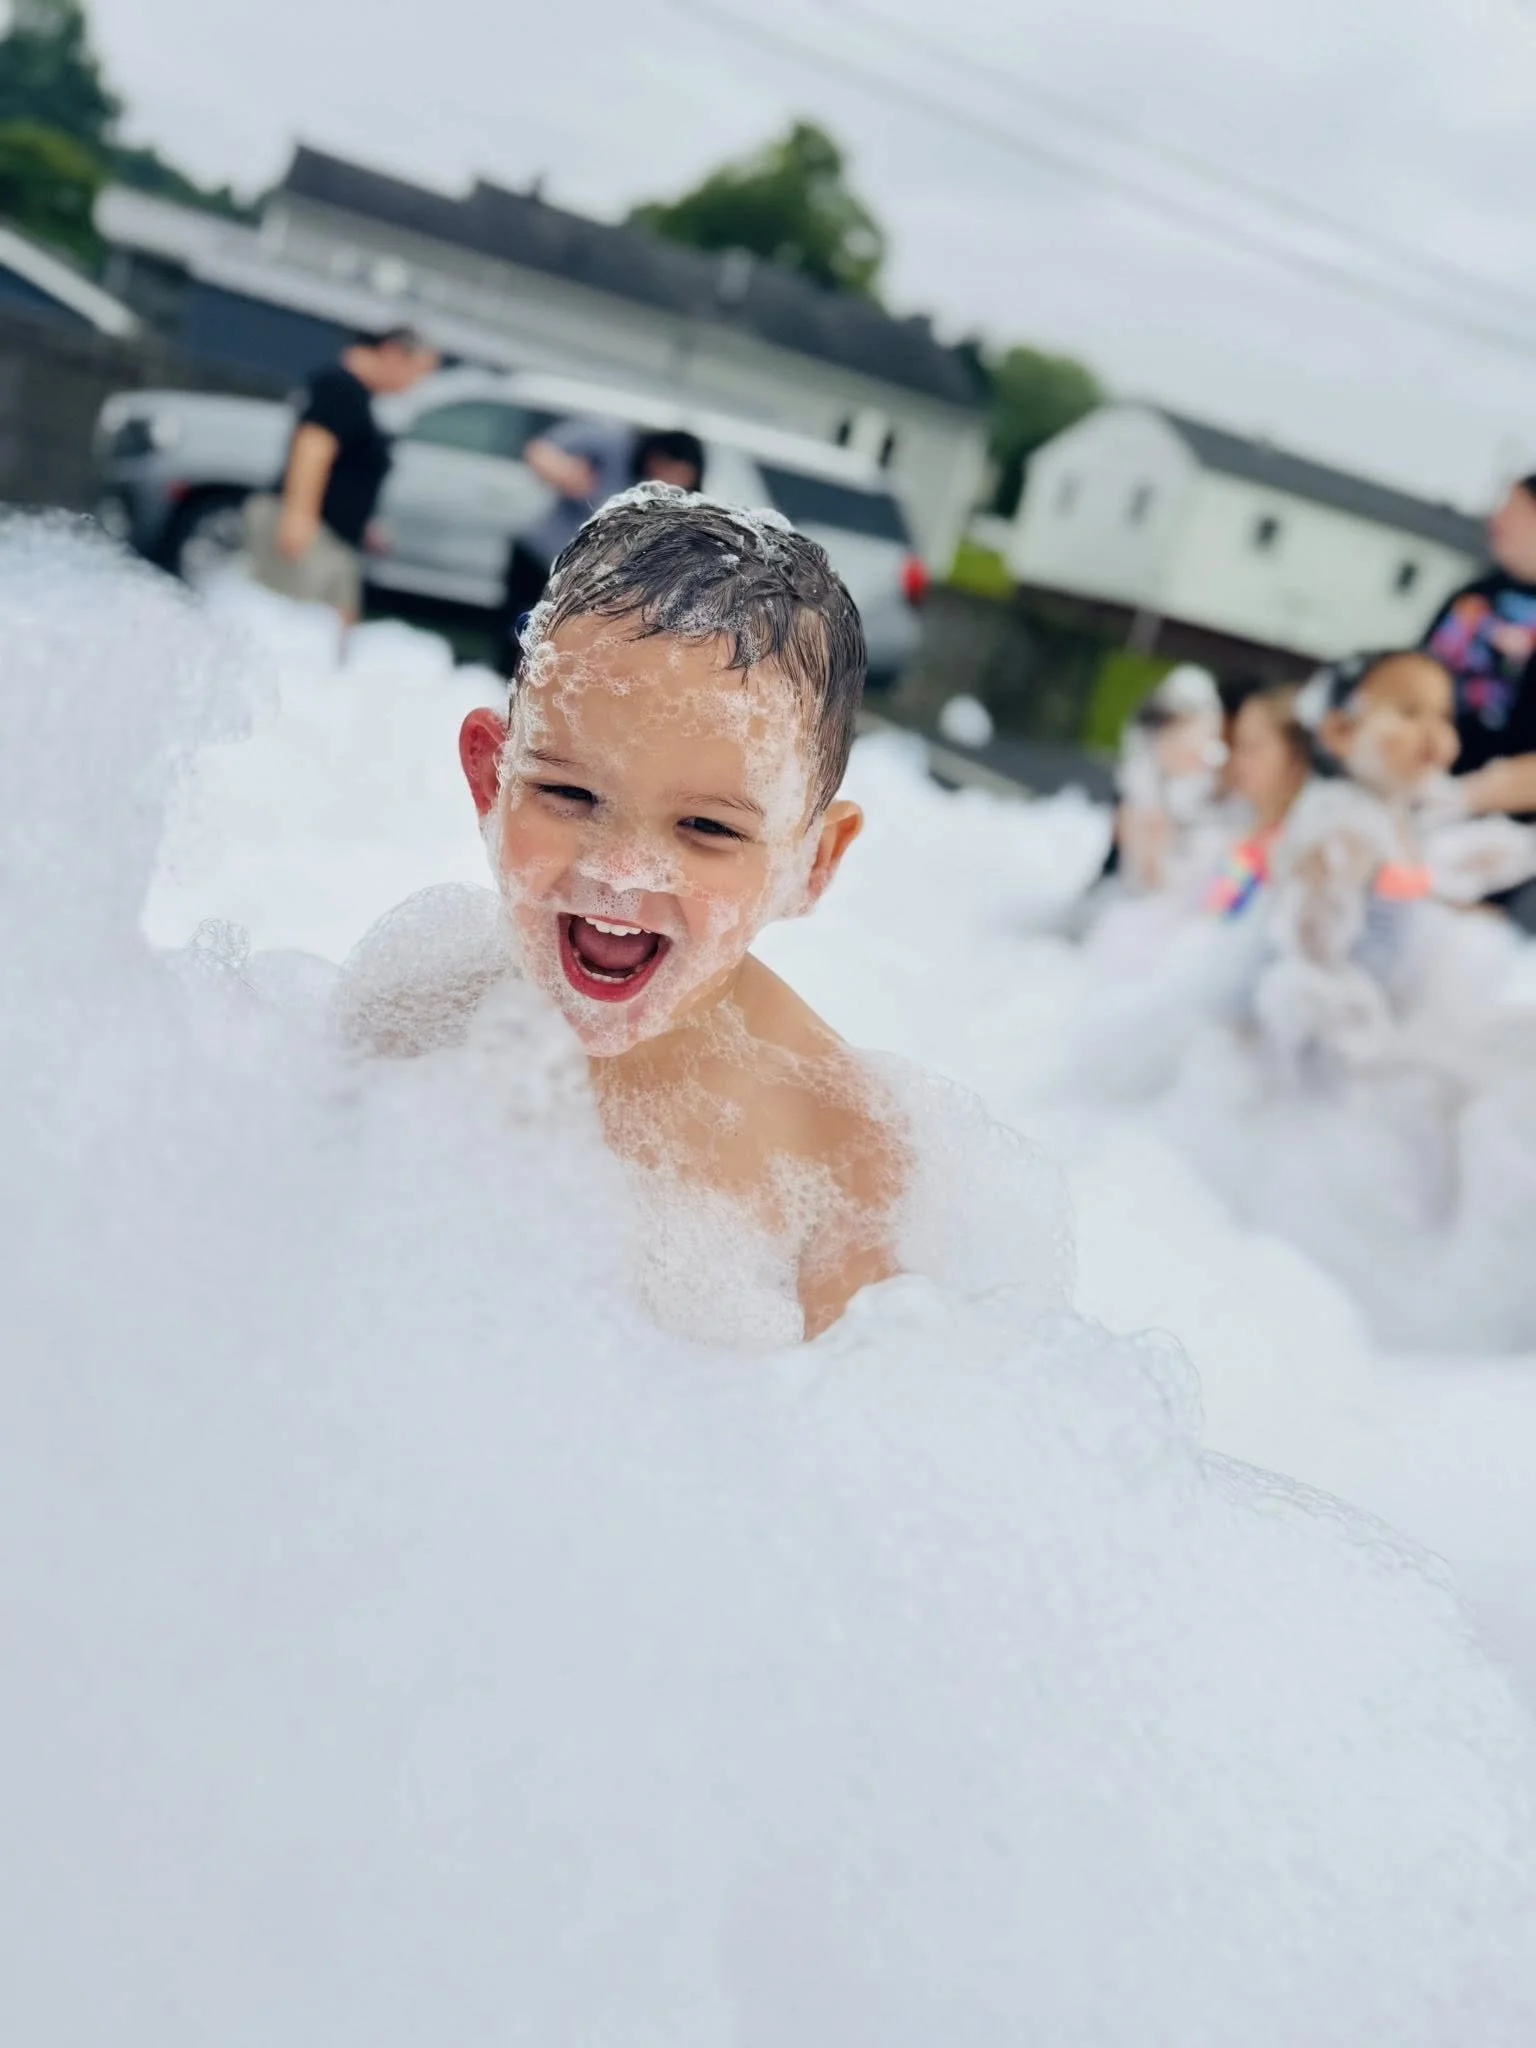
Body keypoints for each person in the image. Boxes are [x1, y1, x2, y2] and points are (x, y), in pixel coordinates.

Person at [460, 487, 900, 1340]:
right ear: (492, 779)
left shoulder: (843, 1150)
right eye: (568, 792)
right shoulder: (419, 1010)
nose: (620, 874)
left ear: (814, 862)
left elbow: (853, 1447)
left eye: (706, 827)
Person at [244, 327, 440, 624]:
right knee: (292, 626)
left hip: (334, 537)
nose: (416, 384)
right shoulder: (341, 387)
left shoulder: (359, 397)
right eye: (418, 372)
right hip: (314, 534)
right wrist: (299, 516)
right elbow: (312, 449)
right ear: (393, 353)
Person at [496, 422, 706, 676]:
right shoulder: (613, 444)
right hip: (541, 560)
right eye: (666, 469)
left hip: (588, 586)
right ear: (654, 455)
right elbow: (539, 451)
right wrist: (567, 473)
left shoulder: (679, 503)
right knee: (518, 638)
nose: (668, 480)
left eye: (679, 477)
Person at [1421, 477, 1536, 907]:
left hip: (1499, 845)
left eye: (1512, 509)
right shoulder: (1476, 595)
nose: (1496, 519)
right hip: (1423, 798)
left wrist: (1470, 796)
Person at [1203, 683, 1311, 921]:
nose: (1238, 761)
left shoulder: (1289, 852)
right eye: (1238, 746)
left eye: (1252, 749)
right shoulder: (1246, 826)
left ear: (1296, 760)